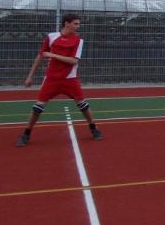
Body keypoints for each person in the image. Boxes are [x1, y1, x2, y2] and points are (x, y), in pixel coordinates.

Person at [15, 13, 103, 147]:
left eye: (78, 24)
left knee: (83, 105)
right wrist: (30, 76)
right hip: (51, 79)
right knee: (37, 107)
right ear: (66, 23)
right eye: (75, 23)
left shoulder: (78, 41)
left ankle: (93, 128)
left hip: (70, 79)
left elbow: (73, 61)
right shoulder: (51, 37)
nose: (78, 26)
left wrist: (52, 55)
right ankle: (26, 134)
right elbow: (40, 57)